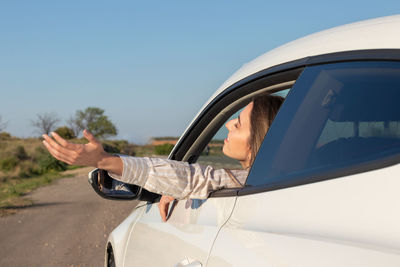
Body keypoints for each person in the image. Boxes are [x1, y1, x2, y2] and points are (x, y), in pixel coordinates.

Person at [42, 94, 284, 221]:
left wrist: (104, 161)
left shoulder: (243, 181)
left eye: (239, 124)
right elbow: (194, 181)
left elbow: (193, 177)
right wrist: (177, 188)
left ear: (258, 140)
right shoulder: (267, 180)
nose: (230, 123)